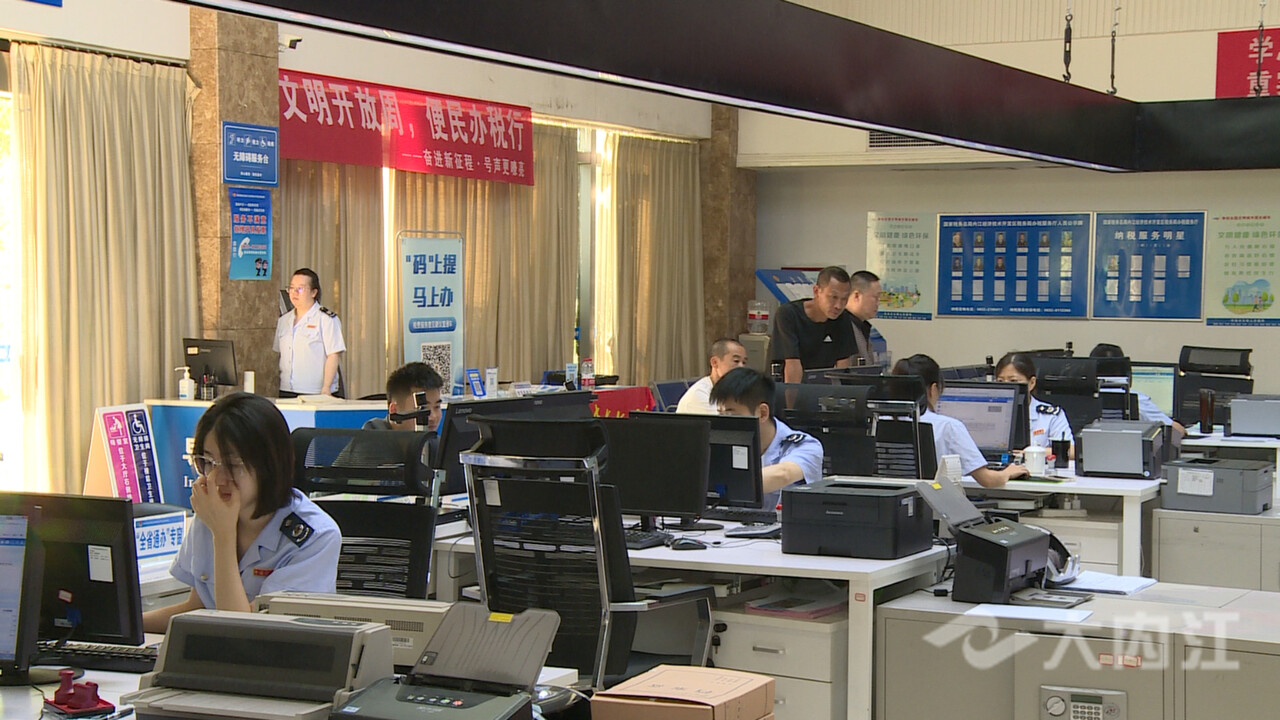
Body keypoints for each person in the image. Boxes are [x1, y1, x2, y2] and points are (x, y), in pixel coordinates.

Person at [142, 393, 342, 633]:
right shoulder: (213, 513)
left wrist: (223, 535)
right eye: (208, 462)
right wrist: (125, 627)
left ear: (269, 465)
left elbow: (243, 633)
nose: (217, 478)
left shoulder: (316, 538)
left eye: (233, 465)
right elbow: (199, 608)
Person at [891, 354, 1029, 488]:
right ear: (933, 389)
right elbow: (988, 480)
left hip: (891, 499)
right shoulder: (948, 426)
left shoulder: (881, 421)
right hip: (932, 500)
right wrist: (1008, 472)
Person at [709, 367, 824, 510]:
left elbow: (783, 474)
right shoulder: (719, 446)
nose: (724, 423)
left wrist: (719, 484)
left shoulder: (805, 446)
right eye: (720, 414)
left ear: (762, 413)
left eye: (731, 415)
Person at [769, 266, 857, 383]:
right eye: (833, 297)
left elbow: (843, 366)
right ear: (816, 291)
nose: (838, 305)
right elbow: (792, 364)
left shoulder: (842, 318)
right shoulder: (789, 314)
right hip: (785, 385)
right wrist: (792, 395)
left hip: (821, 387)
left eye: (844, 299)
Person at [1090, 343, 1186, 438]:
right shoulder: (1136, 399)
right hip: (1128, 447)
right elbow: (1175, 431)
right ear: (1123, 369)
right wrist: (1183, 429)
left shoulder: (1085, 398)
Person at [276, 268, 346, 397]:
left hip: (316, 391)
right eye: (291, 288)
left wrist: (326, 387)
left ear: (314, 292)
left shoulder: (326, 319)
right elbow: (279, 354)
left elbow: (333, 355)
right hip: (287, 389)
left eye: (300, 289)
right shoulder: (283, 320)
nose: (294, 293)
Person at [995, 352, 1074, 455]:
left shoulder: (1050, 415)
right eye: (1000, 381)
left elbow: (1071, 451)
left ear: (1032, 383)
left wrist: (1032, 452)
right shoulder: (987, 412)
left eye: (1013, 381)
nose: (1006, 387)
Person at [366, 362, 446, 433]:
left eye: (437, 407)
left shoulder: (434, 442)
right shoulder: (372, 437)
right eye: (423, 409)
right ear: (394, 410)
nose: (433, 417)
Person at [676, 338, 748, 414]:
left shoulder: (736, 391)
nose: (741, 367)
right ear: (715, 362)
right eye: (736, 361)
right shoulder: (700, 394)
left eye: (744, 362)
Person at [847, 270, 883, 367]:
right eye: (875, 297)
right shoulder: (843, 327)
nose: (878, 303)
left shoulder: (862, 326)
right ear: (857, 296)